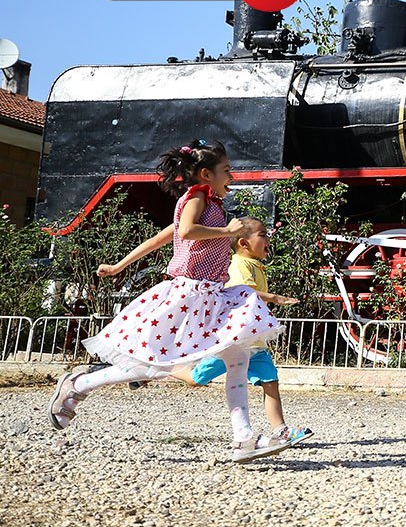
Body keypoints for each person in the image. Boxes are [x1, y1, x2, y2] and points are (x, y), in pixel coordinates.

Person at [47, 139, 288, 464]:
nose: (232, 175)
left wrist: (120, 266)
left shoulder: (213, 203)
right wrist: (227, 233)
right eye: (227, 170)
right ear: (206, 174)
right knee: (154, 366)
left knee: (238, 358)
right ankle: (79, 384)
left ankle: (244, 438)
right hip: (188, 295)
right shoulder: (197, 198)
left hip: (212, 295)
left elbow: (165, 236)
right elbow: (186, 231)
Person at [170, 217, 312, 446]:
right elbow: (242, 291)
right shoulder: (239, 265)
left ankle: (281, 430)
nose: (268, 239)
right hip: (234, 342)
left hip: (254, 342)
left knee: (270, 381)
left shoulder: (254, 264)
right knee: (196, 379)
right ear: (244, 243)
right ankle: (166, 367)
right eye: (263, 235)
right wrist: (275, 297)